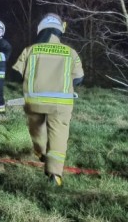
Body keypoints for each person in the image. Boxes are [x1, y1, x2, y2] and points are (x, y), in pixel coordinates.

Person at [11, 13, 84, 187]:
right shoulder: (71, 52)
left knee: (36, 130)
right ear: (60, 31)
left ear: (40, 29)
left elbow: (15, 74)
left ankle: (41, 151)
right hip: (62, 105)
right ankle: (55, 174)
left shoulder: (30, 50)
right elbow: (78, 79)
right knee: (59, 136)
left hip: (35, 102)